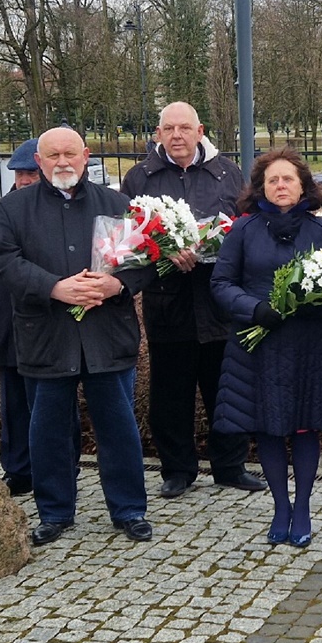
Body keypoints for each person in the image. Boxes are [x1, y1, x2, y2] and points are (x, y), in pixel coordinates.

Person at [0, 127, 154, 545]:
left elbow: (145, 259)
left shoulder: (116, 204)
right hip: (46, 335)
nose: (62, 162)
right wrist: (54, 287)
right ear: (39, 162)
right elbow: (3, 262)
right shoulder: (10, 209)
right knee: (48, 431)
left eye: (70, 154)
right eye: (52, 155)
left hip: (106, 335)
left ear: (86, 156)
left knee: (118, 428)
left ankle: (129, 509)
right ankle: (55, 512)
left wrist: (118, 286)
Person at [210, 147, 322, 548]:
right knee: (269, 429)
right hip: (259, 344)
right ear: (261, 188)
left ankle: (303, 505)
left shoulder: (321, 230)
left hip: (310, 344)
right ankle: (280, 507)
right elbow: (221, 284)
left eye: (288, 178)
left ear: (303, 185)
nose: (280, 185)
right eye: (272, 180)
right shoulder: (243, 229)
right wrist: (255, 310)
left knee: (305, 427)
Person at [121, 102, 264, 499]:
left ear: (200, 131)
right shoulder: (140, 176)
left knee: (226, 388)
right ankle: (177, 469)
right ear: (158, 133)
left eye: (185, 128)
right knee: (171, 392)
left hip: (218, 299)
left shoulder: (227, 172)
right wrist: (162, 250)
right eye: (169, 128)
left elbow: (245, 225)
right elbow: (128, 238)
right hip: (168, 301)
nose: (177, 135)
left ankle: (230, 466)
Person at [0, 139, 49, 494]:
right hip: (9, 320)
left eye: (31, 173)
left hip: (48, 321)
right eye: (19, 174)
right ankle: (18, 470)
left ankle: (54, 466)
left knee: (48, 403)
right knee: (14, 402)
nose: (24, 180)